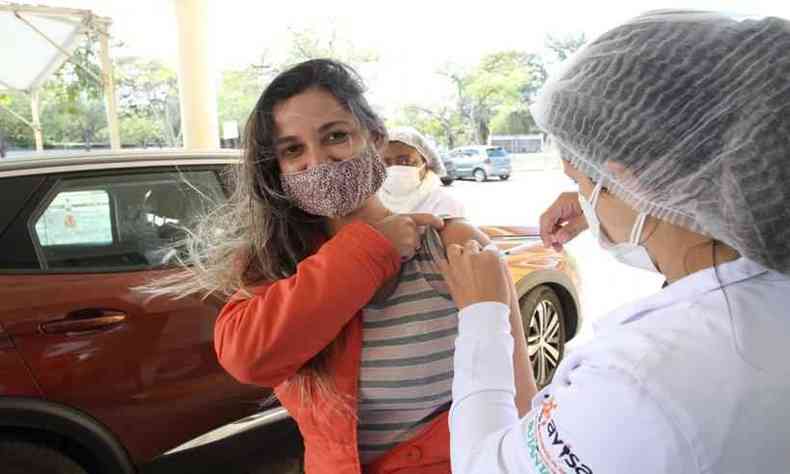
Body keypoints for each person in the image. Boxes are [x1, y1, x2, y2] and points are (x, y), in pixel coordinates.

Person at [440, 10, 790, 474]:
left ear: (633, 182)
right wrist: (611, 199)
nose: (584, 200)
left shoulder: (647, 379)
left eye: (584, 181)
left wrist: (484, 312)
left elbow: (483, 467)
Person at [149, 59, 533, 474]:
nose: (318, 161)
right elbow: (248, 358)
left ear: (376, 138)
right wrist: (370, 249)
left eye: (336, 136)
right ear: (276, 170)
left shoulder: (451, 248)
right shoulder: (282, 264)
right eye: (292, 149)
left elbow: (520, 402)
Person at [378, 127, 465, 217]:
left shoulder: (445, 205)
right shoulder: (371, 204)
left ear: (425, 163)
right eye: (385, 163)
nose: (394, 168)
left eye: (405, 161)